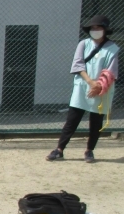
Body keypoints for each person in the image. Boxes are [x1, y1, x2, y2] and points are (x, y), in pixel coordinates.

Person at [47, 15, 119, 163]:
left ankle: (89, 150)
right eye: (93, 28)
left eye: (98, 27)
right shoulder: (84, 44)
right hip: (82, 87)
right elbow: (78, 65)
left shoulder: (112, 48)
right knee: (72, 120)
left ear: (105, 30)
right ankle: (59, 149)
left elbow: (111, 72)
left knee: (96, 123)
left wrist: (99, 86)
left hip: (101, 91)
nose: (95, 30)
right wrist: (90, 82)